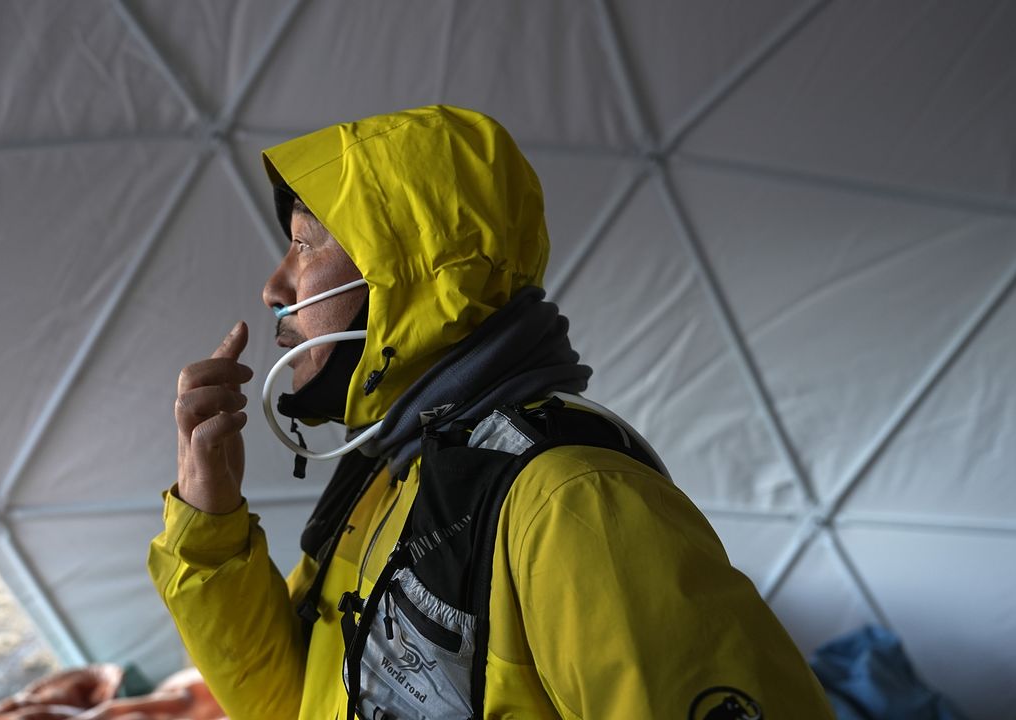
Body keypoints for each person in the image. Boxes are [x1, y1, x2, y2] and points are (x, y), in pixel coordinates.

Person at [148, 105, 834, 719]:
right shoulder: (387, 475)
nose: (274, 287)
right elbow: (290, 705)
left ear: (416, 266)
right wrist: (209, 524)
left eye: (305, 243)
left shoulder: (575, 502)